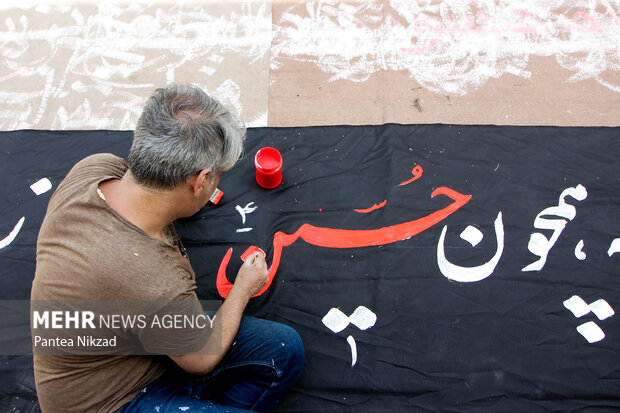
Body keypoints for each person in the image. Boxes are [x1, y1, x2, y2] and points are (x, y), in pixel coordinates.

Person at [31, 84, 304, 412]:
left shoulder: (95, 169)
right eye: (217, 177)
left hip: (129, 337)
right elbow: (201, 357)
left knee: (284, 350)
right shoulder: (152, 276)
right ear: (200, 181)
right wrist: (242, 289)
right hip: (109, 398)